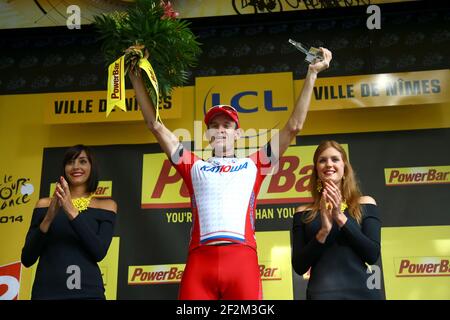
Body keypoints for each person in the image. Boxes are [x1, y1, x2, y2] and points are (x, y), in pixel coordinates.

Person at [128, 47, 332, 299]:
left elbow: (294, 126)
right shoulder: (194, 166)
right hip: (199, 263)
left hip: (242, 261)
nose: (220, 130)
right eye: (214, 126)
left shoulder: (253, 165)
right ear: (208, 135)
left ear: (238, 133)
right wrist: (135, 76)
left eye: (227, 125)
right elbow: (155, 125)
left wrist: (312, 73)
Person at [21, 144, 117, 300]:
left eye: (83, 161)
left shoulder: (106, 206)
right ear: (64, 168)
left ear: (92, 167)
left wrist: (70, 210)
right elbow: (27, 258)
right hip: (46, 293)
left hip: (87, 293)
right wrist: (50, 216)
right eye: (70, 162)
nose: (76, 167)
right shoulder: (44, 205)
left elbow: (98, 252)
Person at [291, 140, 382, 300]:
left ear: (344, 167)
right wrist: (324, 231)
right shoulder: (303, 212)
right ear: (316, 169)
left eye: (335, 159)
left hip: (363, 293)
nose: (328, 164)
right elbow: (299, 266)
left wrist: (340, 218)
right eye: (322, 160)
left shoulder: (365, 203)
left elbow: (372, 254)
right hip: (321, 294)